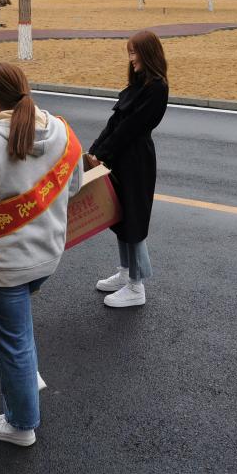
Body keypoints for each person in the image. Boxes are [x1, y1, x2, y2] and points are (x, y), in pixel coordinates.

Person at [0, 63, 83, 447]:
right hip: (47, 256)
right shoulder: (62, 131)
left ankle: (21, 425)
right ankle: (28, 374)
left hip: (2, 267)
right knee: (17, 329)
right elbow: (73, 186)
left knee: (12, 342)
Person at [87, 30, 169, 308]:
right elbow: (114, 123)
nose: (131, 58)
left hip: (137, 162)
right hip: (120, 159)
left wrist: (103, 154)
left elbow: (130, 129)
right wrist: (94, 150)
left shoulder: (156, 88)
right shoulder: (138, 84)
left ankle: (136, 285)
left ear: (148, 53)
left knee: (134, 221)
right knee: (120, 217)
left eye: (134, 53)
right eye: (130, 53)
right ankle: (125, 272)